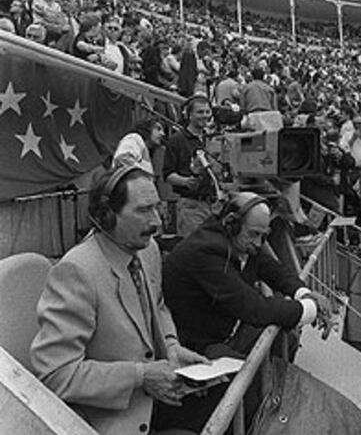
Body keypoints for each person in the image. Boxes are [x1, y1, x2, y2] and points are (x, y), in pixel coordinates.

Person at [31, 163, 222, 435]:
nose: (157, 222)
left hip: (153, 404)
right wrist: (140, 376)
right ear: (107, 215)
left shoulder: (147, 249)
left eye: (156, 207)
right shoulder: (76, 272)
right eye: (144, 210)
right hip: (111, 423)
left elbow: (157, 304)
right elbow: (55, 375)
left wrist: (171, 347)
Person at [163, 191, 332, 357]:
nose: (258, 244)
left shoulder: (239, 241)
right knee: (255, 368)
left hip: (228, 330)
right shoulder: (206, 252)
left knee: (287, 338)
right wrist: (309, 308)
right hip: (201, 345)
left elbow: (274, 271)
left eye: (263, 235)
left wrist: (304, 293)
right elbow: (254, 309)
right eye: (254, 234)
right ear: (231, 223)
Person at [163, 94, 216, 238]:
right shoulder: (177, 140)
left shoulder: (212, 139)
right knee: (195, 250)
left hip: (214, 205)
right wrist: (186, 181)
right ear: (189, 114)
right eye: (200, 112)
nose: (204, 115)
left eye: (207, 112)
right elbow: (167, 175)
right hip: (191, 206)